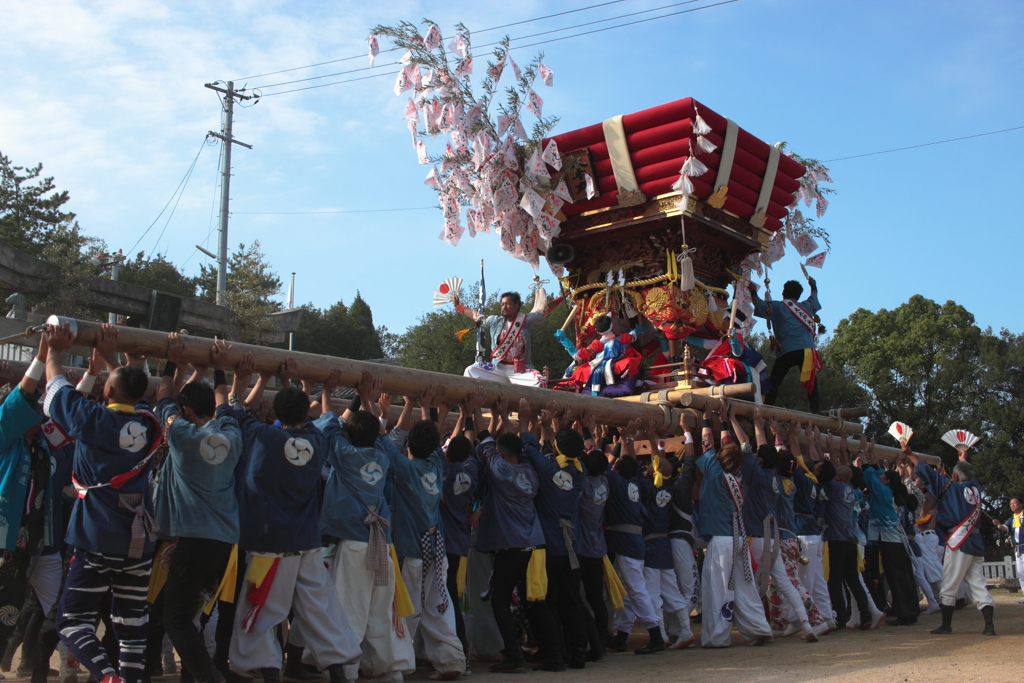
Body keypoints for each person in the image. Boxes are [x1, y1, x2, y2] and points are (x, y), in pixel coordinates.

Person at [225, 359, 360, 683]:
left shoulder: (261, 435)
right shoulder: (317, 441)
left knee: (261, 612)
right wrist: (295, 388)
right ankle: (339, 674)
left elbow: (234, 411)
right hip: (307, 543)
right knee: (321, 610)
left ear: (273, 411)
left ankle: (271, 674)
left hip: (270, 544)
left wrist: (266, 379)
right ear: (305, 413)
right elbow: (321, 420)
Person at [45, 323, 162, 683]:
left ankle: (106, 675)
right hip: (138, 541)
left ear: (107, 388)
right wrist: (119, 361)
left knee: (72, 620)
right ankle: (129, 678)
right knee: (132, 621)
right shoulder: (149, 425)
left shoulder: (92, 418)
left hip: (96, 535)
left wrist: (54, 349)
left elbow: (54, 388)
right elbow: (133, 393)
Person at [152, 334, 242, 683]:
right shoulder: (232, 435)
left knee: (174, 618)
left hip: (193, 539)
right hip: (224, 544)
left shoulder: (181, 436)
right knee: (191, 615)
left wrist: (173, 361)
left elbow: (163, 401)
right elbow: (227, 406)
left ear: (186, 412)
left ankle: (209, 678)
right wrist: (218, 368)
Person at [315, 370, 415, 683]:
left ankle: (346, 669)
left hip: (355, 543)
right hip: (381, 544)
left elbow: (327, 422)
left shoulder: (343, 454)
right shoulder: (383, 455)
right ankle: (390, 669)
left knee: (350, 608)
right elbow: (381, 435)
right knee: (380, 612)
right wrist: (368, 401)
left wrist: (328, 392)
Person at [472, 395, 544, 674]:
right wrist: (502, 415)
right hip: (531, 541)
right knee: (526, 597)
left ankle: (513, 655)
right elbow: (519, 446)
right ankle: (533, 647)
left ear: (502, 455)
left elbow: (483, 439)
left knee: (500, 598)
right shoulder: (530, 470)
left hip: (511, 543)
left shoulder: (501, 470)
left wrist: (477, 409)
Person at [517, 401, 588, 670]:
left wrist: (527, 420)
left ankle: (553, 655)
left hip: (548, 547)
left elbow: (528, 446)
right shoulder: (580, 470)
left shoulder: (547, 469)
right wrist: (550, 426)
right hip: (573, 548)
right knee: (572, 602)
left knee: (543, 602)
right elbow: (560, 449)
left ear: (557, 448)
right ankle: (577, 654)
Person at [696, 406, 772, 648]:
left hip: (721, 541)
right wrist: (724, 422)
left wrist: (706, 419)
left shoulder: (716, 476)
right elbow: (722, 448)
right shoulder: (739, 478)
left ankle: (718, 637)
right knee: (745, 587)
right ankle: (759, 628)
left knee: (717, 589)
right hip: (739, 539)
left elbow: (707, 446)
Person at [904, 443, 994, 635]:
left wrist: (910, 455)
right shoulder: (975, 488)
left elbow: (929, 475)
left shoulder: (952, 489)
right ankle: (989, 625)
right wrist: (963, 460)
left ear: (954, 477)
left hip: (960, 541)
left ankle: (946, 625)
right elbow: (967, 474)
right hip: (975, 543)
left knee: (949, 583)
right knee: (978, 583)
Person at [604, 419, 666, 655]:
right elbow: (626, 463)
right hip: (634, 542)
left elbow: (607, 466)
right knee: (629, 592)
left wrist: (623, 439)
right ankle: (622, 636)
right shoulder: (636, 482)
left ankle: (655, 635)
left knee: (637, 591)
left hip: (627, 543)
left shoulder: (618, 483)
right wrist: (626, 438)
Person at [457, 291, 562, 388]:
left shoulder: (525, 320)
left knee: (540, 381)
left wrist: (562, 297)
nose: (504, 307)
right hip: (498, 368)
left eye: (508, 304)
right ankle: (478, 408)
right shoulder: (495, 321)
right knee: (471, 370)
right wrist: (458, 306)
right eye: (502, 304)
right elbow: (476, 316)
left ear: (516, 306)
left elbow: (544, 311)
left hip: (520, 371)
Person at [749, 278, 821, 413]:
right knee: (811, 381)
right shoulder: (806, 306)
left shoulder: (778, 306)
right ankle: (815, 409)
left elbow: (757, 303)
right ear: (799, 295)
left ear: (784, 293)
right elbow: (814, 297)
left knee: (774, 382)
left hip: (788, 349)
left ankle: (767, 407)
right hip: (807, 350)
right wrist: (813, 285)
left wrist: (752, 289)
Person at [993, 497, 1024, 604]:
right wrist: (998, 525)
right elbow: (1005, 529)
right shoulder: (1011, 519)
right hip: (1018, 548)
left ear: (1021, 504)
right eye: (1011, 504)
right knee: (1021, 573)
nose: (1013, 505)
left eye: (1015, 503)